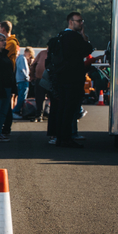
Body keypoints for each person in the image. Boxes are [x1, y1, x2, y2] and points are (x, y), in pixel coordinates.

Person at [48, 11, 93, 148]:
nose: (81, 24)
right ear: (71, 22)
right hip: (73, 78)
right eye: (79, 21)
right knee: (70, 109)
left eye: (82, 21)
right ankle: (66, 138)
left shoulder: (60, 36)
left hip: (60, 77)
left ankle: (60, 137)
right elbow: (88, 49)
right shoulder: (74, 37)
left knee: (62, 108)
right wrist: (83, 35)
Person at [12, 46, 34, 118]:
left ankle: (17, 111)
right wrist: (27, 78)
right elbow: (23, 69)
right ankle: (16, 111)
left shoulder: (19, 58)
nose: (29, 56)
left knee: (21, 97)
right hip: (23, 80)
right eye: (30, 54)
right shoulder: (23, 58)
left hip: (19, 80)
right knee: (22, 97)